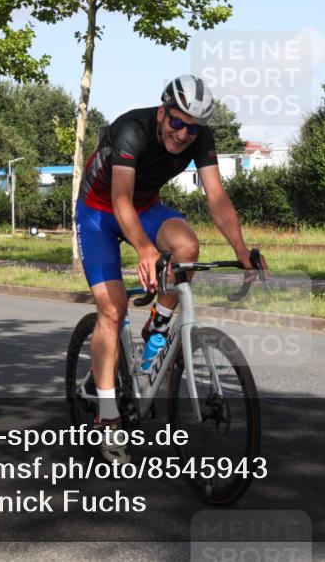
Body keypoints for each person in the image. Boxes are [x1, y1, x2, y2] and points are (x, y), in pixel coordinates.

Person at [75, 74, 267, 464]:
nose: (182, 135)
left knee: (187, 247)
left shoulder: (200, 138)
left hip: (145, 207)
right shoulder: (131, 129)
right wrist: (145, 249)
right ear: (162, 112)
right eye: (177, 122)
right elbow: (120, 199)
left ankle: (158, 325)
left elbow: (217, 197)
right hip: (99, 212)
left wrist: (241, 249)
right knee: (112, 309)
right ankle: (107, 418)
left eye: (191, 129)